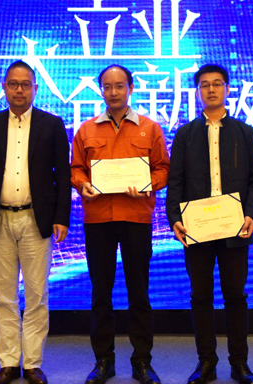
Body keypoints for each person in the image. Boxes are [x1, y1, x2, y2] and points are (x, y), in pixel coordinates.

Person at [0, 60, 71, 384]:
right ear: (4, 88)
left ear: (35, 89)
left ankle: (33, 364)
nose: (19, 90)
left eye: (25, 84)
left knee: (37, 296)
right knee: (4, 297)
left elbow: (63, 176)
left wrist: (61, 217)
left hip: (35, 220)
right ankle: (9, 363)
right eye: (13, 84)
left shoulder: (51, 125)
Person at [166, 64, 253, 384]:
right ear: (197, 92)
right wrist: (175, 219)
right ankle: (206, 362)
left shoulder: (244, 132)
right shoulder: (185, 134)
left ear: (227, 89)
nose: (211, 89)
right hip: (196, 228)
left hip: (235, 227)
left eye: (217, 84)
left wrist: (251, 214)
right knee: (200, 296)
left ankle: (240, 363)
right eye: (205, 85)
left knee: (235, 296)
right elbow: (175, 182)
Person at [71, 64, 170, 384]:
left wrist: (147, 184)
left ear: (130, 88)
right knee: (101, 293)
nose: (113, 92)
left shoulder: (150, 128)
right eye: (107, 87)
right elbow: (76, 168)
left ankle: (142, 362)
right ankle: (103, 361)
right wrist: (82, 183)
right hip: (98, 218)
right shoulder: (86, 130)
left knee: (139, 293)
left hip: (136, 217)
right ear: (101, 90)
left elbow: (163, 169)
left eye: (119, 86)